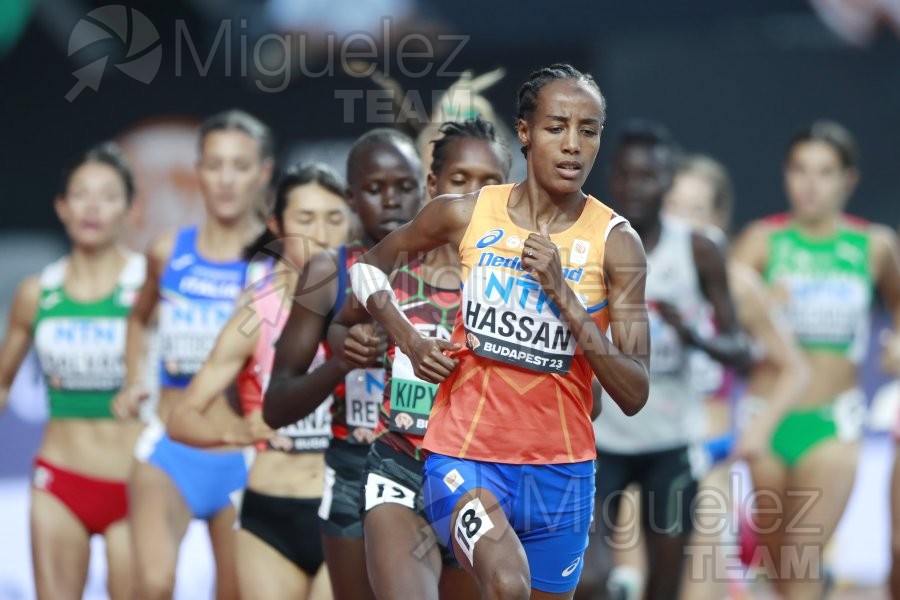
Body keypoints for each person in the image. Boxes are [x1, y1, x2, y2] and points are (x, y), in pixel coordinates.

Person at [346, 63, 650, 600]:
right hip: (465, 457)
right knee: (507, 583)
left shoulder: (616, 243)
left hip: (563, 475)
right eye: (557, 127)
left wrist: (566, 298)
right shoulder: (466, 214)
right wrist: (409, 339)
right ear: (526, 132)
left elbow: (633, 393)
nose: (573, 145)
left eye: (589, 129)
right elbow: (367, 267)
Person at [328, 118, 510, 600]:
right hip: (400, 468)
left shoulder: (521, 286)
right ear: (433, 185)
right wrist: (364, 342)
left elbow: (586, 397)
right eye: (459, 181)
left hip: (481, 479)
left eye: (489, 184)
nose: (471, 197)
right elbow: (345, 318)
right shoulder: (396, 265)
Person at [578, 123, 752, 600]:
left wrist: (692, 335)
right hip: (602, 437)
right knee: (587, 575)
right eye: (627, 176)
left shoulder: (699, 249)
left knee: (666, 584)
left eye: (648, 177)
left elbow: (742, 353)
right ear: (612, 178)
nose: (636, 188)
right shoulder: (589, 241)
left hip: (672, 442)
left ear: (667, 182)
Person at [167, 163, 353, 599]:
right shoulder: (258, 313)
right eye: (305, 219)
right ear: (277, 227)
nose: (322, 233)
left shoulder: (376, 303)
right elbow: (182, 418)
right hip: (269, 512)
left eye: (334, 218)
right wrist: (236, 431)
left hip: (348, 511)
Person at [732, 121, 900, 600]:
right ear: (786, 175)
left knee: (803, 560)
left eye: (825, 172)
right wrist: (760, 310)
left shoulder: (874, 245)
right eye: (801, 170)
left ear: (848, 180)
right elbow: (721, 328)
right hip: (766, 421)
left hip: (833, 426)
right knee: (780, 564)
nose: (810, 183)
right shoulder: (761, 241)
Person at [111, 110, 274, 600]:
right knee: (155, 585)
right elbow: (139, 318)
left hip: (242, 457)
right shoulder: (166, 252)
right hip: (168, 450)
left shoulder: (277, 264)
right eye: (214, 165)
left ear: (263, 172)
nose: (225, 180)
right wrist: (131, 379)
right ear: (197, 171)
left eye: (240, 166)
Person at [263, 128, 424, 600]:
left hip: (433, 466)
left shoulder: (451, 267)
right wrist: (339, 364)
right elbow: (276, 405)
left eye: (405, 186)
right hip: (354, 467)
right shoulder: (326, 273)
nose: (391, 200)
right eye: (375, 189)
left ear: (425, 186)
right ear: (353, 197)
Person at [0, 143, 145, 599]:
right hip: (58, 482)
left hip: (135, 486)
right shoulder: (36, 293)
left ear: (132, 210)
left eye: (107, 195)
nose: (92, 207)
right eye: (81, 194)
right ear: (61, 208)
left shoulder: (150, 287)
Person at [664, 154, 810, 600]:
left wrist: (757, 430)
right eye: (673, 206)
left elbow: (794, 368)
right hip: (650, 452)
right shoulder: (637, 273)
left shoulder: (737, 285)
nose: (681, 222)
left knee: (699, 592)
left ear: (719, 219)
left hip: (711, 459)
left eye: (696, 210)